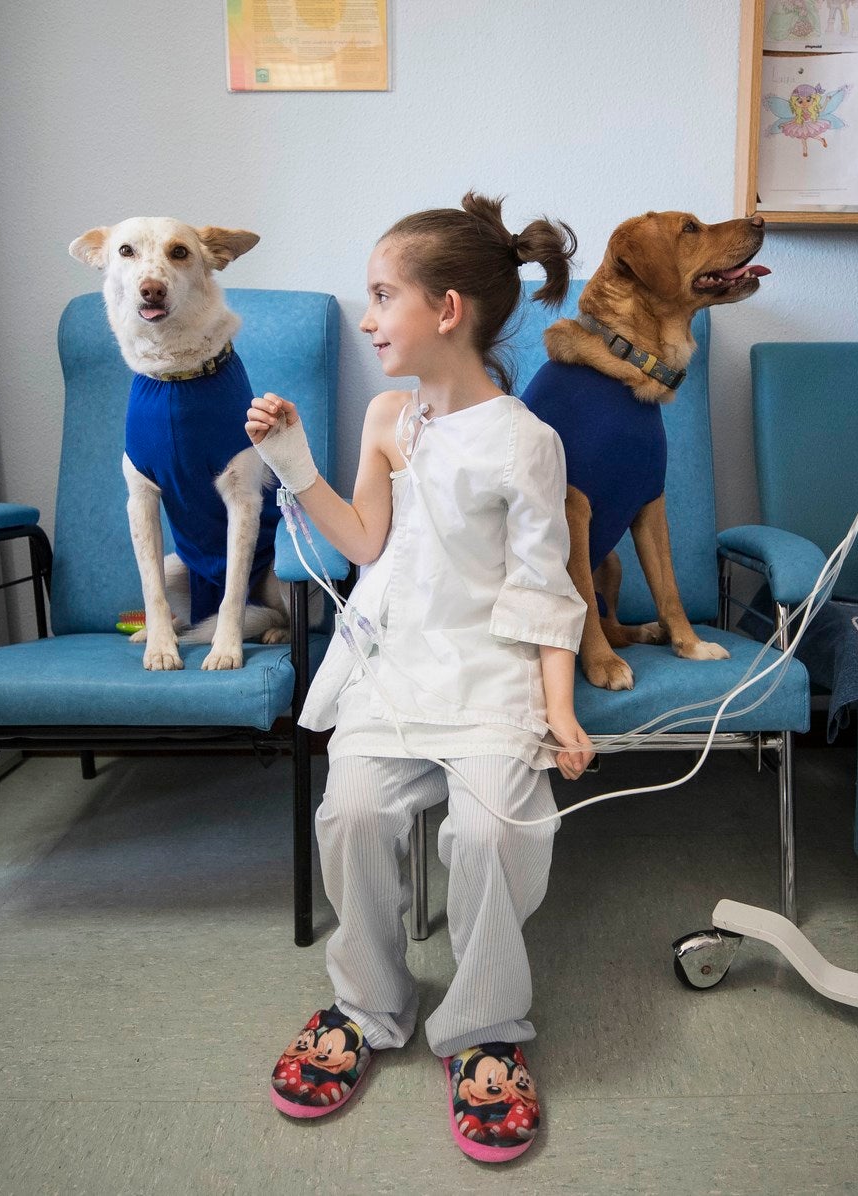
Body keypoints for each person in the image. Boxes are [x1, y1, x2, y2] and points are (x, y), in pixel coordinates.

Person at [246, 192, 593, 1161]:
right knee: (352, 813)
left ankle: (485, 1025)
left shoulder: (525, 442)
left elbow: (544, 589)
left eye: (381, 295)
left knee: (490, 829)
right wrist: (295, 462)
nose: (366, 318)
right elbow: (363, 540)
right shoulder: (390, 415)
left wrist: (559, 708)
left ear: (447, 309)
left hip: (489, 672)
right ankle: (368, 999)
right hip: (398, 663)